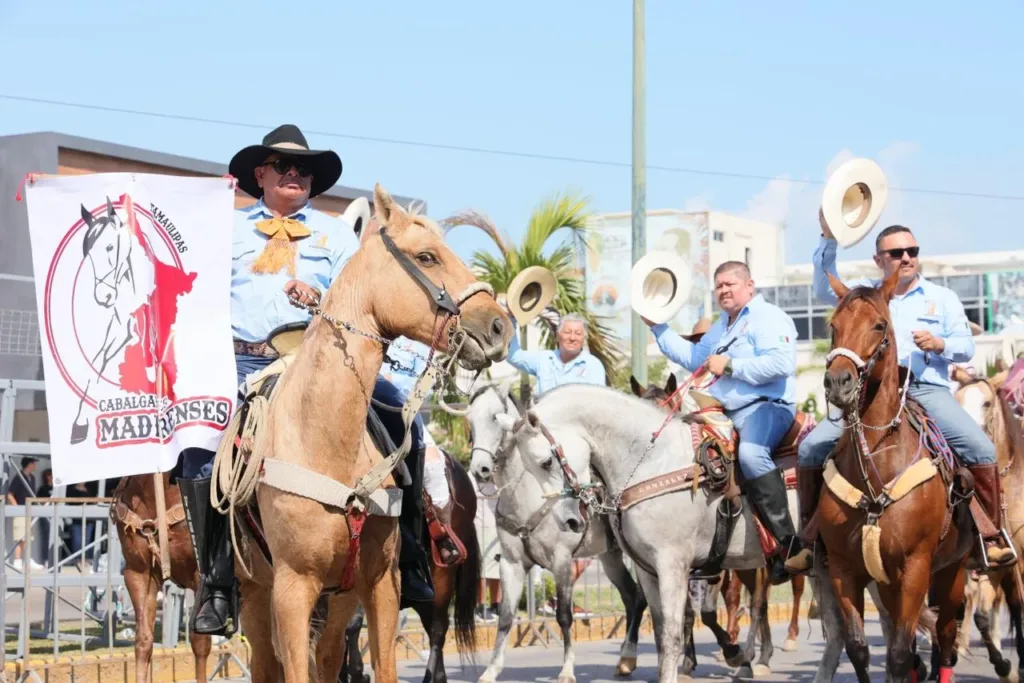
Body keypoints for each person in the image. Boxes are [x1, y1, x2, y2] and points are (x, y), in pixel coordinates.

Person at [175, 123, 428, 637]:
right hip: (242, 363)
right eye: (283, 165)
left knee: (405, 422)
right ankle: (218, 584)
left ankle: (412, 556)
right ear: (260, 174)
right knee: (199, 447)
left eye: (304, 169)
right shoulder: (225, 230)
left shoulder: (336, 235)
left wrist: (320, 302)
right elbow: (193, 292)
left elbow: (356, 298)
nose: (294, 174)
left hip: (317, 361)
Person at [785, 216, 1014, 574]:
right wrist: (828, 238)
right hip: (870, 397)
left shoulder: (942, 298)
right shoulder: (865, 298)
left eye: (912, 250)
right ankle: (810, 540)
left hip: (927, 390)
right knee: (811, 448)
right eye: (896, 253)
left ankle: (990, 537)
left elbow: (966, 346)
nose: (906, 257)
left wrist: (940, 344)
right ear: (879, 260)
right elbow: (822, 285)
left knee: (981, 448)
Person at [643, 261, 800, 586]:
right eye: (719, 286)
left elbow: (782, 363)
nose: (724, 290)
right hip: (724, 412)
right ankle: (710, 549)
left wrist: (730, 366)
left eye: (731, 284)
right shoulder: (723, 325)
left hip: (766, 408)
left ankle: (789, 545)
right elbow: (695, 359)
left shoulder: (767, 316)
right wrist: (658, 327)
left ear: (749, 286)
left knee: (751, 455)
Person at [505, 312, 605, 616]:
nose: (572, 337)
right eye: (568, 332)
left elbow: (596, 405)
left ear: (583, 339)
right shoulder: (544, 359)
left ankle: (610, 526)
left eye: (578, 333)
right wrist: (512, 319)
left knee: (599, 487)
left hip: (577, 441)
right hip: (543, 441)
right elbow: (514, 355)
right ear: (558, 335)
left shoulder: (592, 365)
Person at [7, 458, 44, 572]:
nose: (35, 465)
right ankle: (17, 561)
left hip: (29, 510)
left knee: (28, 537)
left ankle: (28, 560)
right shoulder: (19, 477)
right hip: (21, 511)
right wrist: (17, 508)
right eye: (33, 463)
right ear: (28, 464)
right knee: (20, 537)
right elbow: (10, 494)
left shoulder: (32, 478)